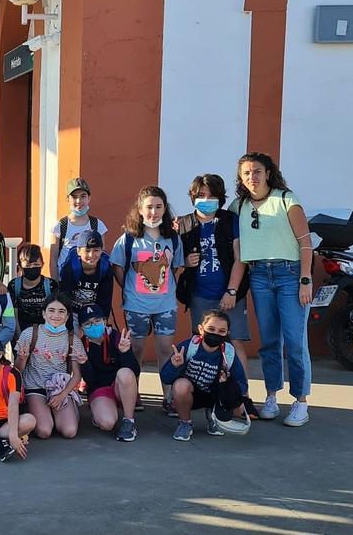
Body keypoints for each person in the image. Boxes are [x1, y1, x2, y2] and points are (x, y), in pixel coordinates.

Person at [229, 152, 314, 427]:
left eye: (257, 171)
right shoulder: (239, 205)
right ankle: (271, 396)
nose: (252, 177)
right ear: (240, 178)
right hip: (259, 276)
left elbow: (305, 243)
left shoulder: (285, 199)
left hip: (289, 274)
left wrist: (305, 279)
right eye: (246, 173)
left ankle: (301, 401)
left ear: (267, 173)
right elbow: (215, 222)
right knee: (269, 342)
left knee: (294, 341)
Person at [176, 174, 253, 406]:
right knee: (199, 344)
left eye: (212, 196)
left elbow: (241, 258)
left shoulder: (231, 220)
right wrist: (186, 263)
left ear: (220, 198)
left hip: (229, 295)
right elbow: (173, 261)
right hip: (199, 295)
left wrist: (231, 291)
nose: (206, 199)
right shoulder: (184, 223)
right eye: (201, 195)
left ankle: (242, 396)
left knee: (235, 343)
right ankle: (201, 396)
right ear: (193, 197)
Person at [111, 185, 184, 413]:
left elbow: (176, 267)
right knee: (136, 350)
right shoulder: (129, 238)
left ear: (165, 209)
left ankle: (169, 396)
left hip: (165, 305)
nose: (154, 212)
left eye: (158, 207)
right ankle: (134, 392)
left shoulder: (172, 238)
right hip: (136, 306)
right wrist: (131, 289)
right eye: (149, 207)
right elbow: (118, 267)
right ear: (140, 210)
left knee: (165, 349)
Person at [161, 310, 252, 441]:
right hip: (191, 395)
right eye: (211, 329)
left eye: (221, 331)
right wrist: (175, 366)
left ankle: (214, 416)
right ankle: (185, 423)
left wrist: (228, 385)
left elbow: (243, 384)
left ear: (227, 333)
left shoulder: (229, 353)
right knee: (180, 385)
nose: (215, 334)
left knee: (239, 407)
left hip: (216, 395)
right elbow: (166, 378)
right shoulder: (188, 347)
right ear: (201, 329)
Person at [14, 295, 86, 439]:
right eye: (51, 310)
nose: (56, 315)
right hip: (34, 387)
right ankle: (34, 409)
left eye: (61, 311)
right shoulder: (29, 334)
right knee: (44, 431)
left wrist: (62, 395)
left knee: (69, 431)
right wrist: (22, 359)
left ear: (67, 316)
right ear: (43, 313)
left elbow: (77, 375)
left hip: (59, 388)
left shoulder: (73, 340)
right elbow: (17, 371)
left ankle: (66, 410)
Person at [77, 304, 140, 442]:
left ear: (104, 321)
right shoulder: (80, 345)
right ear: (81, 328)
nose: (93, 326)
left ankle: (129, 421)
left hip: (120, 386)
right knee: (107, 423)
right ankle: (102, 411)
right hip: (100, 389)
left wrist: (125, 353)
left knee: (125, 373)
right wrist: (85, 364)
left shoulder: (117, 337)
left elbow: (134, 371)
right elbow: (91, 382)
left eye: (97, 321)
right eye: (88, 324)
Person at [49, 178, 108, 280]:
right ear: (68, 199)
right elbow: (53, 260)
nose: (78, 201)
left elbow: (101, 255)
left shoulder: (98, 225)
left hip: (89, 284)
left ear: (89, 198)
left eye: (83, 196)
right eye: (74, 197)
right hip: (64, 283)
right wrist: (55, 287)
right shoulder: (60, 226)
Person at [59, 231, 114, 318]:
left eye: (96, 250)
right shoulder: (71, 268)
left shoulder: (105, 268)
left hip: (94, 314)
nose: (91, 255)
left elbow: (105, 299)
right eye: (87, 250)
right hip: (72, 313)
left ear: (101, 251)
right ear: (78, 251)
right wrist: (69, 326)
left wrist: (103, 320)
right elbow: (65, 297)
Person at [7, 243, 59, 333]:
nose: (32, 268)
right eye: (27, 265)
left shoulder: (51, 285)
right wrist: (19, 338)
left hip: (46, 332)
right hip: (21, 331)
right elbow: (11, 314)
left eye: (36, 264)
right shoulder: (14, 285)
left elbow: (56, 313)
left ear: (42, 264)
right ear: (20, 267)